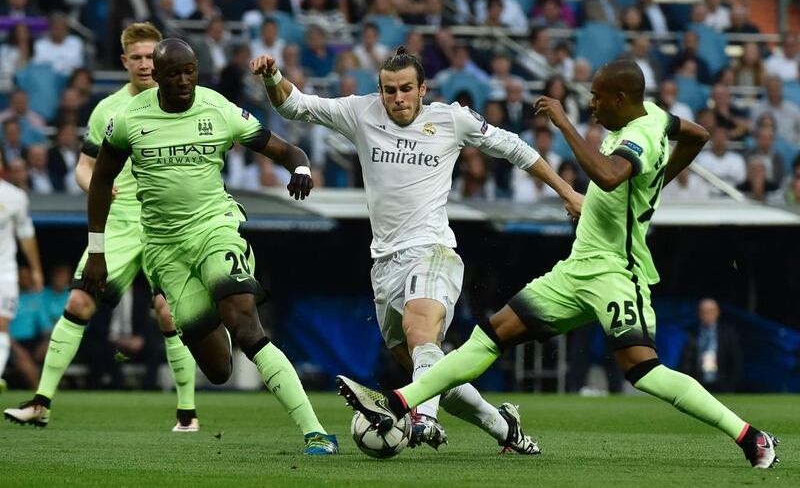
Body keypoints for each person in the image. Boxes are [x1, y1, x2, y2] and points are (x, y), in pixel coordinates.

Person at [336, 60, 780, 469]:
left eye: (598, 98)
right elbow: (698, 134)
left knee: (644, 371)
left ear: (622, 100)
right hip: (576, 269)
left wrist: (563, 123)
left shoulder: (640, 135)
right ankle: (398, 403)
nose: (591, 105)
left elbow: (607, 176)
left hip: (616, 273)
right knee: (489, 336)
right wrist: (656, 182)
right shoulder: (659, 119)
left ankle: (749, 436)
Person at [251, 47, 582, 452]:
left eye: (406, 89)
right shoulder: (361, 112)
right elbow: (294, 106)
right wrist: (271, 76)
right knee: (430, 373)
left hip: (432, 250)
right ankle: (505, 427)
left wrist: (567, 192)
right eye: (389, 90)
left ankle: (423, 419)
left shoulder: (451, 118)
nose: (398, 98)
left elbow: (513, 147)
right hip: (384, 263)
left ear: (423, 89)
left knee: (420, 330)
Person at [80, 37, 337, 455]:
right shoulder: (128, 119)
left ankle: (315, 432)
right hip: (165, 249)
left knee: (244, 321)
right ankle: (217, 297)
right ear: (158, 77)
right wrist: (96, 251)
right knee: (218, 369)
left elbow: (286, 148)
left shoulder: (218, 108)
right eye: (174, 73)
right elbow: (101, 180)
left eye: (190, 71)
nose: (184, 80)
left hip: (215, 227)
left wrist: (302, 168)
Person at [4, 23, 200, 433]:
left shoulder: (187, 102)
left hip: (166, 221)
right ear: (125, 61)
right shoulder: (107, 110)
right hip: (121, 221)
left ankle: (187, 414)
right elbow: (85, 165)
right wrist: (91, 186)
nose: (146, 64)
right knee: (77, 303)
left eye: (152, 56)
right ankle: (41, 403)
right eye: (139, 57)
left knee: (168, 314)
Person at [0, 178, 44, 393]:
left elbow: (26, 235)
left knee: (1, 324)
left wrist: (36, 270)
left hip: (4, 271)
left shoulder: (14, 196)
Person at [679, 298, 742, 393]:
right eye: (703, 311)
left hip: (721, 383)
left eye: (710, 311)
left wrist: (730, 385)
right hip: (698, 382)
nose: (706, 314)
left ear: (717, 312)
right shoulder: (691, 332)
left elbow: (735, 360)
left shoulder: (728, 333)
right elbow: (686, 360)